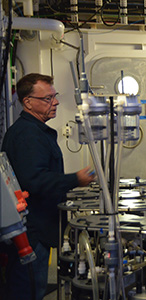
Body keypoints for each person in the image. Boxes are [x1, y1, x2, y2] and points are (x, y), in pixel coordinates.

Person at [1, 73, 95, 300]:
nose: (56, 102)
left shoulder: (36, 131)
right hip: (31, 231)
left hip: (38, 227)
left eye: (55, 96)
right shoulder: (27, 135)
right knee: (29, 290)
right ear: (28, 102)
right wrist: (76, 179)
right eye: (48, 98)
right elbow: (35, 180)